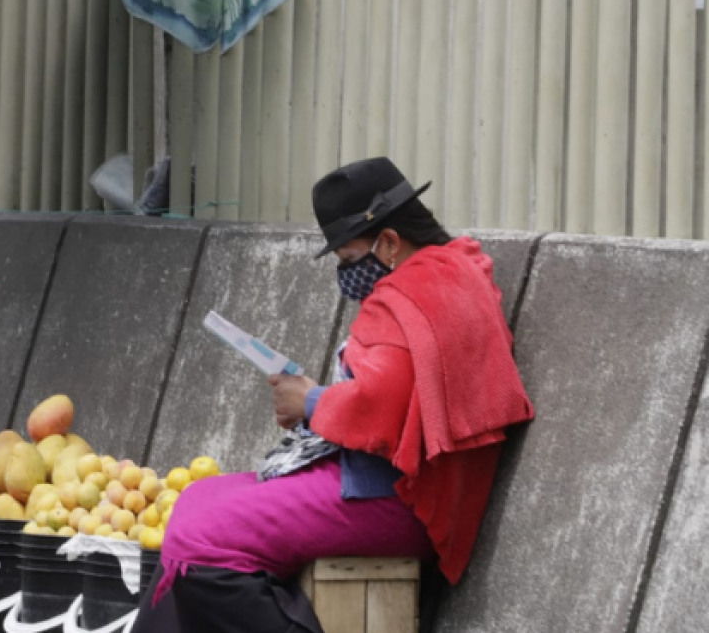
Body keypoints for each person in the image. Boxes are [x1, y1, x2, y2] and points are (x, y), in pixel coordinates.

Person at [133, 157, 535, 633]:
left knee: (202, 537)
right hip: (400, 484)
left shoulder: (412, 291)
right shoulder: (452, 270)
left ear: (388, 242)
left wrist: (308, 401)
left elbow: (377, 405)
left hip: (404, 498)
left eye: (348, 260)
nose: (346, 276)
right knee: (198, 499)